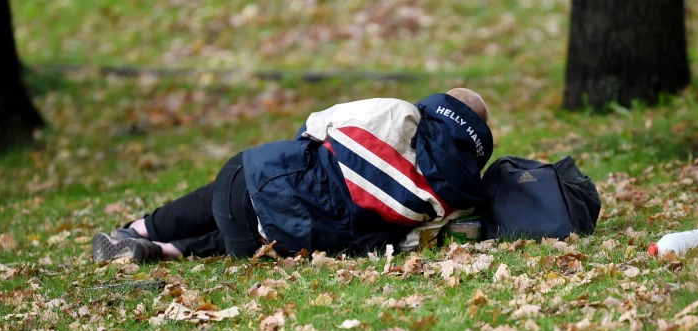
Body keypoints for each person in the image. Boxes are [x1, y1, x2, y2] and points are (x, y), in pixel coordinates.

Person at [92, 88, 494, 263]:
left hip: (255, 186)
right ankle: (166, 252)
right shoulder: (458, 195)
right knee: (265, 220)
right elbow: (409, 243)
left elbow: (317, 125)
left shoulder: (398, 113)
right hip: (280, 243)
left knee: (246, 184)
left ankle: (140, 229)